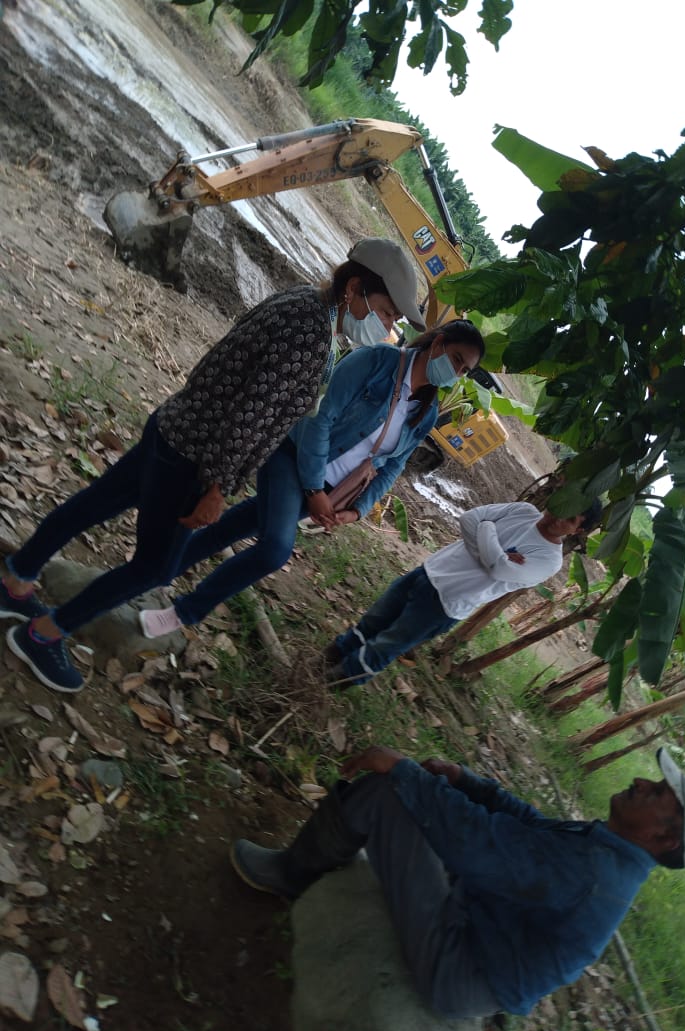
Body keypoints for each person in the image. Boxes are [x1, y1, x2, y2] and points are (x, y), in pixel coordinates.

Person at [0, 238, 424, 694]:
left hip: (176, 424)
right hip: (195, 460)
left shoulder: (304, 301)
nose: (387, 327)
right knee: (155, 569)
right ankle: (43, 635)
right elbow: (251, 414)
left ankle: (16, 579)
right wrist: (217, 487)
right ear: (354, 288)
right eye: (385, 313)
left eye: (393, 321)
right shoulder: (310, 336)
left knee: (97, 502)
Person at [229, 744, 685, 1020]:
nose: (642, 782)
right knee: (421, 798)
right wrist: (467, 782)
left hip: (461, 967)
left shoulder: (596, 872)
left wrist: (405, 772)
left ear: (664, 839)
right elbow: (528, 827)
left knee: (389, 793)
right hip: (479, 926)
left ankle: (290, 875)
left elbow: (476, 843)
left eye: (657, 792)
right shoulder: (610, 854)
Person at [137, 320, 486, 638]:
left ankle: (155, 570)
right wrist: (314, 486)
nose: (455, 372)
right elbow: (319, 418)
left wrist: (357, 510)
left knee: (242, 523)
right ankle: (184, 611)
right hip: (293, 459)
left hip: (332, 492)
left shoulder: (427, 411)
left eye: (464, 370)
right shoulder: (376, 362)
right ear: (437, 343)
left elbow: (392, 466)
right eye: (456, 359)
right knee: (274, 550)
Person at [325, 498, 603, 686]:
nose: (559, 517)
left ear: (578, 530)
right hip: (429, 571)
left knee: (387, 644)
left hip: (446, 603)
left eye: (570, 519)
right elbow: (470, 518)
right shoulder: (524, 510)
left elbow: (498, 568)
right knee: (373, 621)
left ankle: (332, 682)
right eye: (565, 506)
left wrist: (487, 528)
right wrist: (491, 552)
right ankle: (329, 658)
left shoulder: (549, 560)